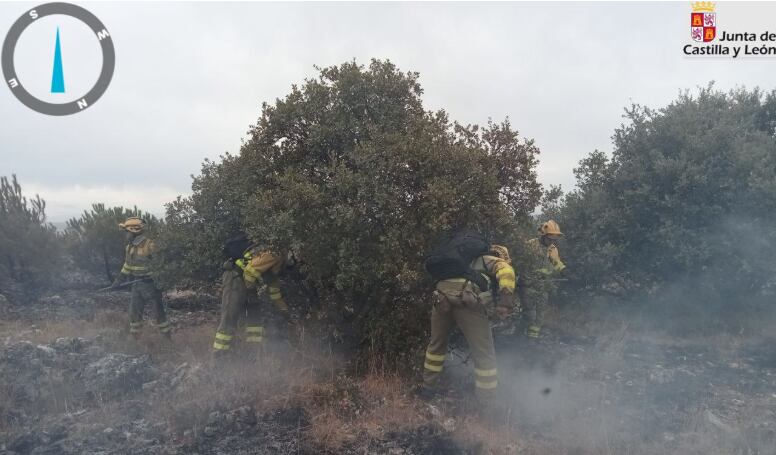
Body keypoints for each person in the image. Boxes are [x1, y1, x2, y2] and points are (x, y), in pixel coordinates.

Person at [422, 234, 516, 404]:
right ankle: (488, 403)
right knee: (484, 355)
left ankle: (428, 388)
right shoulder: (489, 260)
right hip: (467, 301)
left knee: (436, 346)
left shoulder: (458, 262)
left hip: (441, 298)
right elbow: (507, 272)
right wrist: (505, 303)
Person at [212, 233, 290, 359]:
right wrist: (251, 294)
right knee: (230, 316)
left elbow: (274, 291)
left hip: (248, 281)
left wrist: (284, 311)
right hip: (235, 278)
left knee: (255, 319)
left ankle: (253, 355)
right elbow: (249, 271)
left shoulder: (278, 262)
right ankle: (219, 358)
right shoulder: (276, 253)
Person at [112, 216, 171, 338]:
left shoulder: (150, 245)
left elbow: (160, 265)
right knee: (134, 315)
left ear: (134, 231)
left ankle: (167, 340)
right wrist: (118, 281)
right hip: (136, 285)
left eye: (127, 232)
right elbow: (127, 266)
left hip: (151, 285)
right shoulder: (129, 247)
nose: (126, 235)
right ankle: (135, 340)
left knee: (159, 314)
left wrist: (157, 280)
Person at [518, 220, 566, 339]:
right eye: (550, 238)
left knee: (540, 315)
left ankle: (532, 339)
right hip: (528, 285)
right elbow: (521, 263)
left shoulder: (552, 248)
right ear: (543, 235)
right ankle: (518, 335)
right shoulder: (531, 245)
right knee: (530, 314)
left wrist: (564, 270)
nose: (552, 241)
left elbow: (556, 262)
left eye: (554, 239)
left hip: (542, 286)